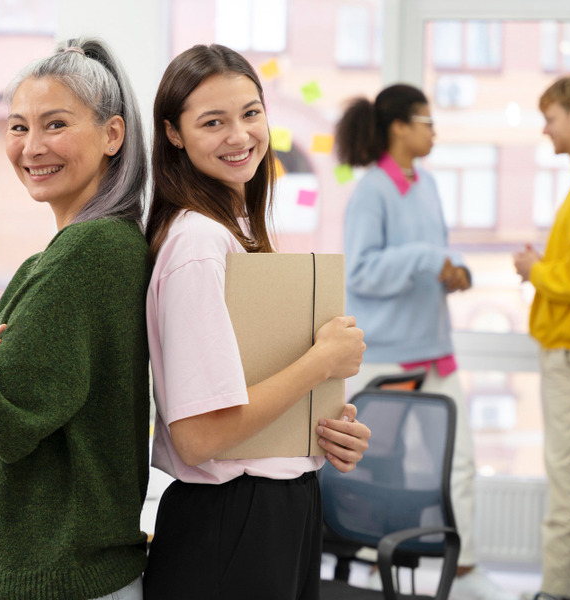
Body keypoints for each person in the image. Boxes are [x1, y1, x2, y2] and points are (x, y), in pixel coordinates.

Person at [0, 37, 151, 600]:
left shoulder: (89, 254)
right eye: (18, 126)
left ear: (112, 135)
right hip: (61, 568)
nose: (31, 145)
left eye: (55, 124)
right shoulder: (83, 250)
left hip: (51, 576)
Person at [142, 44, 370, 600]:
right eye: (212, 122)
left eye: (250, 113)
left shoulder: (238, 226)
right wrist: (319, 364)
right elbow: (198, 437)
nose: (240, 136)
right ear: (173, 133)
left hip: (273, 513)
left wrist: (320, 432)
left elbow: (244, 394)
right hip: (234, 524)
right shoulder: (198, 242)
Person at [335, 84, 516, 600]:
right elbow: (363, 271)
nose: (434, 130)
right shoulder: (372, 191)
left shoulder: (430, 185)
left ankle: (464, 567)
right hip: (388, 355)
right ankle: (371, 563)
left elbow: (432, 254)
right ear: (399, 127)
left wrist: (451, 272)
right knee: (373, 466)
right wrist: (424, 259)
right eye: (426, 120)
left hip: (435, 348)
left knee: (458, 461)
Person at [514, 75, 570, 600]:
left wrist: (535, 270)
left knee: (569, 487)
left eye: (550, 118)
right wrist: (548, 268)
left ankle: (557, 594)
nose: (546, 130)